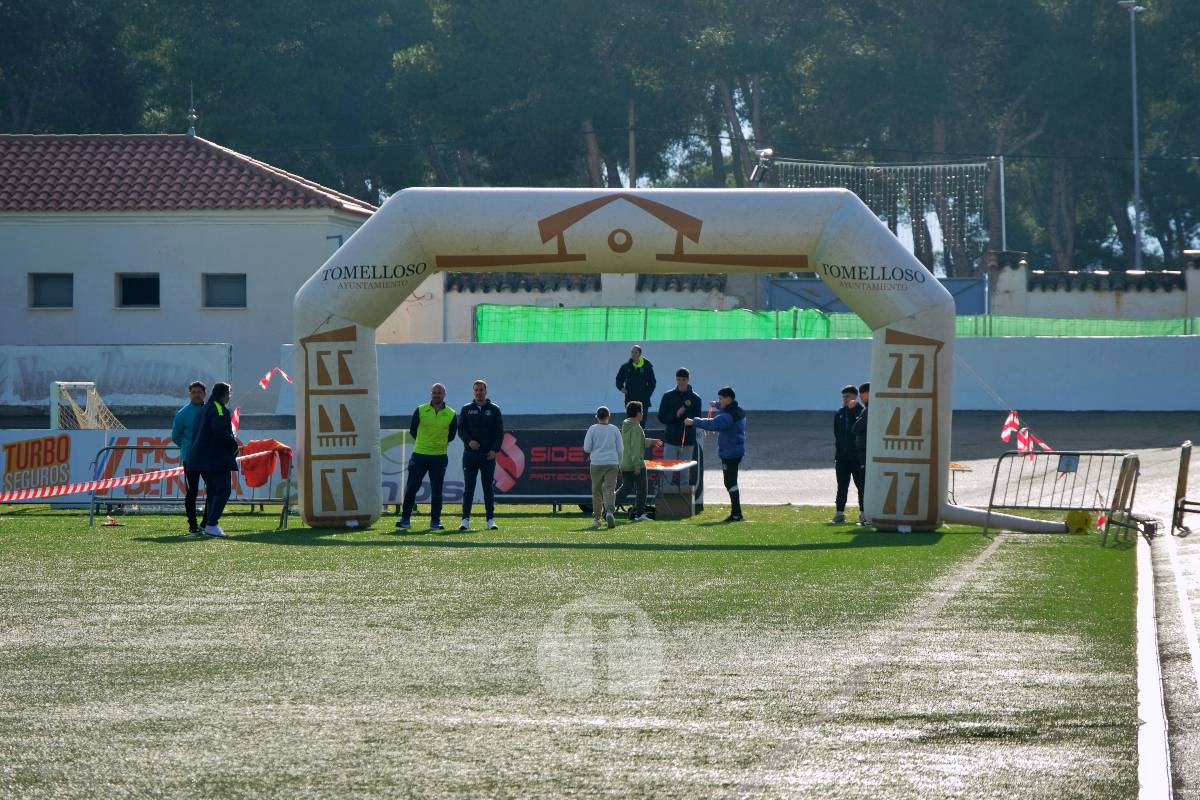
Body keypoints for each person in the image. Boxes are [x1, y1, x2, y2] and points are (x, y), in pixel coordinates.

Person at [185, 382, 242, 538]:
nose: (229, 397)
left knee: (213, 490)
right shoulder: (218, 408)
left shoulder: (203, 409)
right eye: (229, 393)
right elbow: (220, 433)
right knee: (223, 490)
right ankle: (211, 524)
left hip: (199, 458)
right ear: (224, 394)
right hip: (214, 458)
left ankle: (207, 524)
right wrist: (234, 445)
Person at [397, 383, 458, 531]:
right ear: (431, 394)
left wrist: (437, 444)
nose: (436, 395)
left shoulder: (451, 413)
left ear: (444, 395)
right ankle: (405, 519)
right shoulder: (420, 410)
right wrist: (425, 443)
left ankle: (435, 521)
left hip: (439, 456)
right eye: (434, 392)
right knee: (412, 487)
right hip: (420, 455)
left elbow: (451, 435)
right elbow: (413, 431)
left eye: (439, 393)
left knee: (437, 490)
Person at [685, 387, 747, 522]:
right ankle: (736, 512)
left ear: (728, 399)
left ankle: (736, 513)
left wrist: (693, 421)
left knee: (730, 482)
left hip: (730, 453)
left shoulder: (728, 416)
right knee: (731, 482)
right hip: (736, 450)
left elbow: (714, 424)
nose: (720, 401)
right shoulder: (738, 410)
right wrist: (717, 405)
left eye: (721, 399)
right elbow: (725, 411)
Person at [458, 379, 504, 531]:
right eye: (476, 390)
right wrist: (469, 441)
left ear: (486, 391)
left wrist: (494, 450)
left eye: (481, 390)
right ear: (473, 392)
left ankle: (490, 519)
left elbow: (499, 433)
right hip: (470, 455)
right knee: (469, 487)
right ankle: (465, 520)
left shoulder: (495, 409)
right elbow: (461, 430)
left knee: (487, 487)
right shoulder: (466, 409)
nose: (479, 392)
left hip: (487, 456)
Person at [656, 367, 702, 490]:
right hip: (671, 439)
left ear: (688, 379)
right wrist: (675, 415)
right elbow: (661, 417)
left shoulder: (696, 398)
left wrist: (689, 419)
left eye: (684, 379)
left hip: (687, 440)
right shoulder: (668, 396)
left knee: (685, 473)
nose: (681, 382)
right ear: (676, 379)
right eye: (679, 379)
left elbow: (698, 419)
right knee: (667, 472)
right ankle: (666, 502)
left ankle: (684, 505)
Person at [171, 380, 207, 535]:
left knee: (213, 490)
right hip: (190, 459)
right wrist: (188, 449)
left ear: (205, 394)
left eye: (199, 392)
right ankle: (193, 524)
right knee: (192, 492)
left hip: (209, 458)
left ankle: (207, 523)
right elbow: (176, 436)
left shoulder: (210, 410)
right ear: (190, 394)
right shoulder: (183, 413)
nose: (197, 395)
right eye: (194, 392)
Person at [618, 401, 661, 522]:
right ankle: (639, 513)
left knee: (625, 488)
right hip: (635, 464)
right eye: (641, 411)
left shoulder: (626, 426)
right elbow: (636, 447)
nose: (642, 414)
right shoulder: (636, 427)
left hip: (625, 463)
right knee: (642, 490)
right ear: (638, 413)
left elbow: (638, 442)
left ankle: (608, 507)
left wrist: (652, 441)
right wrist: (637, 464)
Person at [583, 405, 623, 530]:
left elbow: (587, 448)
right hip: (612, 463)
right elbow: (620, 449)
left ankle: (597, 518)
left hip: (596, 463)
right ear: (609, 416)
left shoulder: (592, 429)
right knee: (610, 490)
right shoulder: (614, 429)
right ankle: (610, 512)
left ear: (597, 417)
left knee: (597, 491)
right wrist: (619, 464)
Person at [832, 384, 864, 524]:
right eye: (843, 397)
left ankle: (863, 513)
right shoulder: (839, 413)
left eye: (848, 396)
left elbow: (857, 428)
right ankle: (839, 513)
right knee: (842, 486)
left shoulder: (861, 411)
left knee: (861, 486)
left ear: (855, 397)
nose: (845, 399)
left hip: (857, 457)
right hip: (842, 458)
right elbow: (837, 433)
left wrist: (853, 411)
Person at [615, 345, 656, 423]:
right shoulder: (626, 366)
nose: (633, 354)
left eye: (635, 352)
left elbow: (652, 382)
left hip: (643, 400)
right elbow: (618, 379)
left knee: (642, 423)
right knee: (630, 422)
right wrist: (621, 388)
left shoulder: (647, 366)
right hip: (630, 399)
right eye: (632, 352)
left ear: (640, 354)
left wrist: (647, 394)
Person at [851, 382, 870, 526]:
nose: (860, 398)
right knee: (862, 484)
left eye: (861, 395)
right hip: (864, 452)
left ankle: (865, 515)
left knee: (864, 484)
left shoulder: (869, 410)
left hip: (865, 453)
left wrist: (857, 420)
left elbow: (856, 428)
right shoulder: (866, 409)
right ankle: (865, 514)